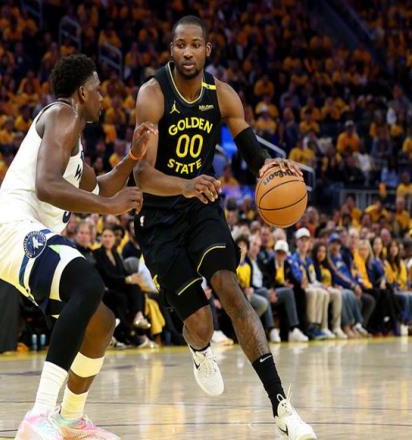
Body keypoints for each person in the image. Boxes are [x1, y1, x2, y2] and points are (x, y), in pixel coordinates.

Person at [133, 16, 316, 439]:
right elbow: (142, 174)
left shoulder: (224, 95)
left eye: (195, 45)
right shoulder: (153, 94)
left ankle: (281, 407)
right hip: (158, 218)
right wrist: (184, 184)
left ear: (207, 50)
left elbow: (250, 148)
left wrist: (267, 166)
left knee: (230, 289)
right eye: (180, 45)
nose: (188, 52)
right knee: (201, 323)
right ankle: (199, 348)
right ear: (171, 49)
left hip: (201, 209)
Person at [0, 54, 156, 439]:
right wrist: (110, 208)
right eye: (98, 90)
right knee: (87, 282)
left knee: (101, 322)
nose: (103, 99)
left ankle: (70, 420)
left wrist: (132, 158)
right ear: (81, 92)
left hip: (21, 240)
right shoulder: (63, 114)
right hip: (11, 228)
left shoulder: (70, 144)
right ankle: (39, 414)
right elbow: (47, 186)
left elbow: (102, 186)